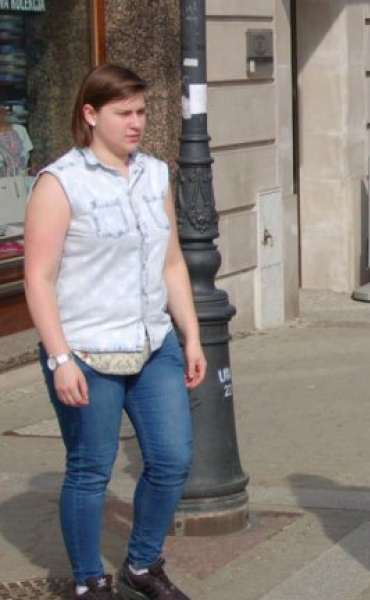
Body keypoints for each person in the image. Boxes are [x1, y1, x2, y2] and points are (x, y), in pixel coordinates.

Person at [22, 65, 207, 600]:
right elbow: (39, 277)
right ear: (90, 114)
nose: (136, 123)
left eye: (141, 112)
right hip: (85, 350)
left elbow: (172, 262)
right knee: (90, 469)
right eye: (123, 113)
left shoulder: (153, 173)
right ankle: (88, 579)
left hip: (153, 344)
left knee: (172, 459)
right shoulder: (61, 182)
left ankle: (143, 563)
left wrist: (190, 335)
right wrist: (59, 359)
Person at [0, 108, 33, 177]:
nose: (2, 116)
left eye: (3, 113)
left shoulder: (20, 129)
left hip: (21, 174)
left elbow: (28, 151)